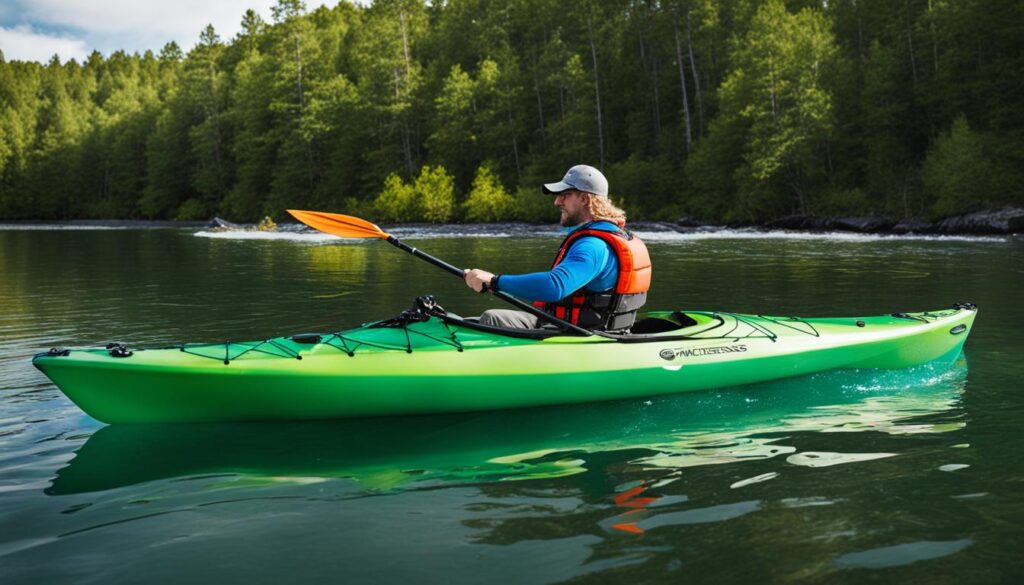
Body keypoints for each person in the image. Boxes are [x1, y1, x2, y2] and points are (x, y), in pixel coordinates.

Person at [463, 164, 651, 332]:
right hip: (578, 326)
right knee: (492, 317)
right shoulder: (611, 236)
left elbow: (555, 286)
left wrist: (495, 281)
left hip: (579, 334)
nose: (557, 202)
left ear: (585, 199)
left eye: (564, 195)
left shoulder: (593, 245)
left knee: (490, 318)